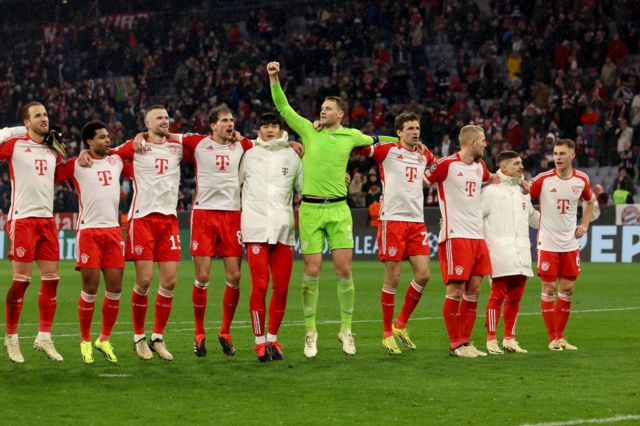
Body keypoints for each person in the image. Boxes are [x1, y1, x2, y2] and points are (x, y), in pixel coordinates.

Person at [268, 60, 397, 357]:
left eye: (328, 108)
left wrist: (406, 142)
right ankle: (310, 331)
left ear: (340, 114)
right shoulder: (308, 130)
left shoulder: (351, 135)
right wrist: (274, 78)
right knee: (311, 270)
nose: (322, 111)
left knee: (344, 269)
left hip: (339, 210)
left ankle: (346, 330)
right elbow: (284, 109)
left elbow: (378, 142)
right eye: (322, 108)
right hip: (311, 210)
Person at [80, 105, 183, 361]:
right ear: (147, 124)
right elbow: (104, 153)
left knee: (169, 282)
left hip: (169, 219)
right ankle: (139, 338)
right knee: (145, 280)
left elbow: (210, 145)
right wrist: (85, 151)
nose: (164, 121)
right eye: (159, 117)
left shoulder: (179, 146)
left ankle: (157, 337)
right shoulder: (134, 145)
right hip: (143, 219)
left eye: (167, 117)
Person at [354, 112, 435, 354]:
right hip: (393, 220)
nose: (415, 131)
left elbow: (435, 166)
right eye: (409, 128)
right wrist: (378, 138)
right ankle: (387, 333)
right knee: (394, 278)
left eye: (417, 127)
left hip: (417, 222)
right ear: (398, 132)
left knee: (423, 275)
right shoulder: (387, 151)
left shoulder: (424, 154)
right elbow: (359, 146)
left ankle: (400, 325)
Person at [54, 121, 125, 364]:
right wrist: (67, 154)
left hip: (114, 232)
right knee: (91, 288)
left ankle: (103, 339)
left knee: (115, 289)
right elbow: (52, 176)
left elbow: (134, 147)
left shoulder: (117, 160)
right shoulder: (77, 164)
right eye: (102, 137)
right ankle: (85, 340)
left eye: (108, 136)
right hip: (89, 232)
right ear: (89, 142)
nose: (108, 140)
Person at [1, 102, 64, 363]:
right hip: (23, 220)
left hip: (47, 221)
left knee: (52, 280)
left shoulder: (54, 150)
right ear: (27, 122)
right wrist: (17, 129)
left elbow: (61, 171)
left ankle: (44, 338)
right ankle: (12, 338)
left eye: (46, 114)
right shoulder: (14, 145)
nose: (44, 119)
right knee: (22, 281)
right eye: (37, 115)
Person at [424, 124, 493, 358]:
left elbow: (489, 178)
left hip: (477, 236)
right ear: (472, 142)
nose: (486, 144)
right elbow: (421, 180)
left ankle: (466, 342)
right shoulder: (446, 164)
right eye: (483, 140)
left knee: (474, 290)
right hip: (456, 236)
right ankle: (455, 344)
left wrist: (515, 181)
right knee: (455, 290)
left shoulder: (480, 166)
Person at [239, 112, 303, 361]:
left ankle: (273, 339)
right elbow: (235, 184)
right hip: (255, 229)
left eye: (273, 125)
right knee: (260, 286)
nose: (269, 129)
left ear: (280, 129)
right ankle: (258, 342)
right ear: (257, 130)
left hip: (284, 230)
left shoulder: (293, 156)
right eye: (264, 126)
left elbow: (304, 188)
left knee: (282, 288)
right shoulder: (249, 154)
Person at [530, 139, 595, 351]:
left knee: (567, 289)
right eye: (555, 153)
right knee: (549, 288)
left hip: (570, 243)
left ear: (572, 156)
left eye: (562, 153)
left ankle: (560, 337)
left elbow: (590, 201)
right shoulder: (543, 180)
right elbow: (522, 197)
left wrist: (584, 223)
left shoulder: (581, 180)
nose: (557, 157)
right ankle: (553, 338)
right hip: (548, 242)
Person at [482, 151, 539, 355]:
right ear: (503, 168)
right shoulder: (490, 191)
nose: (521, 166)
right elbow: (475, 217)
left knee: (515, 298)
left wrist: (555, 219)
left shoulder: (523, 191)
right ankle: (491, 339)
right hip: (499, 252)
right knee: (497, 297)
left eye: (521, 162)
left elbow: (532, 217)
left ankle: (509, 339)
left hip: (521, 252)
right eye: (516, 163)